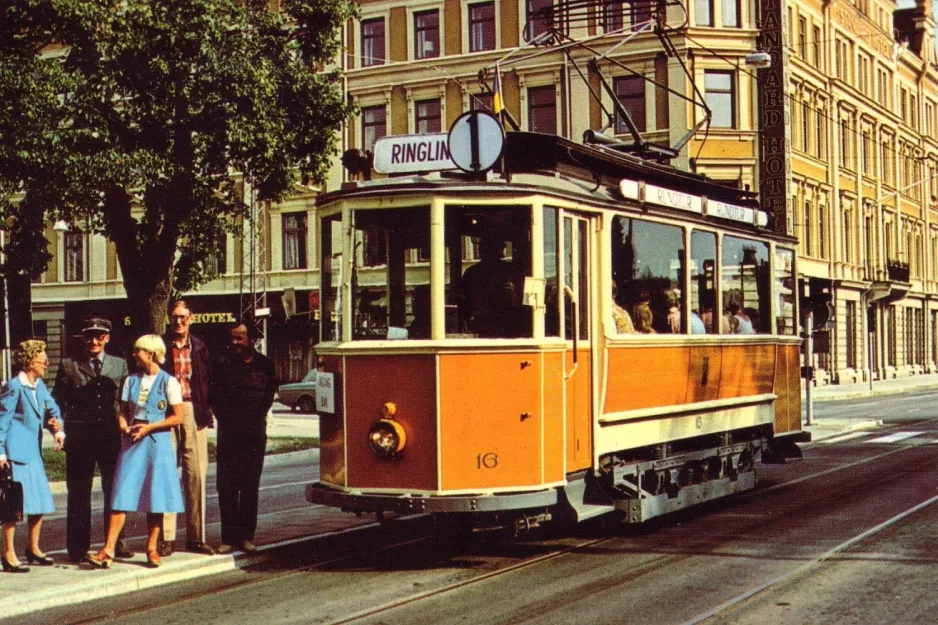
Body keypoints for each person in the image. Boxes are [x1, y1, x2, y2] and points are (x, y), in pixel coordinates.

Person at [87, 335, 184, 569]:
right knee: (121, 494)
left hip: (157, 443)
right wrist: (123, 425)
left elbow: (177, 416)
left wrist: (149, 427)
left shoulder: (169, 382)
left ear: (150, 353)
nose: (134, 355)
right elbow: (121, 411)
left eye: (138, 351)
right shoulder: (130, 381)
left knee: (156, 497)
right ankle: (108, 549)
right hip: (132, 441)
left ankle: (152, 549)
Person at [53, 317, 133, 563]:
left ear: (107, 337)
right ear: (84, 338)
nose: (94, 341)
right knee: (78, 492)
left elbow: (126, 402)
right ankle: (77, 549)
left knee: (115, 490)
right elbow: (58, 401)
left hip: (110, 436)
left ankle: (115, 543)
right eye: (90, 336)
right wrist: (60, 428)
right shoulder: (69, 365)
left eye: (100, 336)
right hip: (80, 438)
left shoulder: (120, 365)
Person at [210, 321, 277, 554]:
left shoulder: (264, 364)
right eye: (232, 338)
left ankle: (247, 537)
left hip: (255, 433)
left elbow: (269, 394)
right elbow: (214, 396)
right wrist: (226, 418)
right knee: (226, 486)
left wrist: (256, 417)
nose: (235, 343)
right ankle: (229, 537)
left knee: (250, 485)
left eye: (240, 338)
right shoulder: (222, 363)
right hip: (228, 432)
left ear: (250, 340)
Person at [0, 340, 64, 573]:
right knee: (14, 507)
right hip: (16, 454)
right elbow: (2, 422)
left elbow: (53, 409)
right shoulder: (14, 387)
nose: (47, 363)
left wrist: (58, 429)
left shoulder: (40, 386)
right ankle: (8, 555)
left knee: (39, 503)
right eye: (42, 360)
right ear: (30, 362)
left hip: (34, 454)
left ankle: (33, 548)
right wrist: (0, 452)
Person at [160, 300, 215, 556]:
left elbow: (208, 381)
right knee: (167, 473)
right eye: (174, 317)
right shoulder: (161, 346)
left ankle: (196, 537)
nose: (178, 322)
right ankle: (167, 537)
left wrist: (208, 411)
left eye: (183, 317)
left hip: (194, 410)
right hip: (168, 411)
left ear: (191, 318)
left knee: (195, 474)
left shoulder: (201, 347)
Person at [460, 237, 522, 338]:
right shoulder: (510, 270)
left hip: (483, 322)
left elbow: (464, 302)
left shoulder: (471, 272)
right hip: (505, 322)